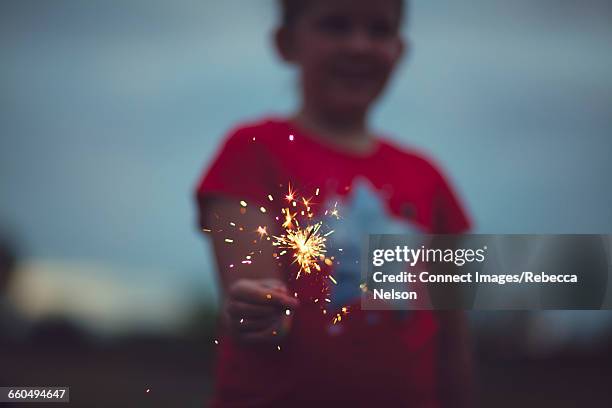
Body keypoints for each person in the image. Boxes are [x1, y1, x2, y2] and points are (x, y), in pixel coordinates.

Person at [195, 0, 473, 406]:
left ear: (399, 50)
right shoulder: (251, 152)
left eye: (379, 29)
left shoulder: (429, 179)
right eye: (335, 25)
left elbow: (454, 344)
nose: (359, 45)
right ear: (286, 43)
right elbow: (251, 294)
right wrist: (258, 311)